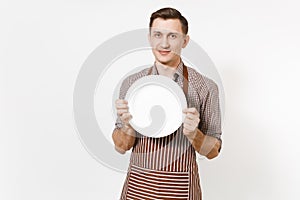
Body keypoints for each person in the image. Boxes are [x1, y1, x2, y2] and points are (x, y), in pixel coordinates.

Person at [112, 7, 222, 200]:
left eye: (172, 36)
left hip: (180, 190)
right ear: (150, 38)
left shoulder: (206, 87)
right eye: (158, 35)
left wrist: (193, 134)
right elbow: (121, 147)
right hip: (138, 188)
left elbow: (213, 152)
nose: (164, 43)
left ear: (185, 41)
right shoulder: (132, 85)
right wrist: (127, 127)